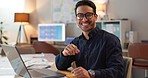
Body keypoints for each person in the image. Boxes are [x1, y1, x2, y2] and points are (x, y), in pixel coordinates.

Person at [55, 0, 124, 78]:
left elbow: (118, 72)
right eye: (80, 15)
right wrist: (64, 54)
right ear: (76, 18)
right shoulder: (76, 42)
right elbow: (60, 66)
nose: (84, 19)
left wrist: (91, 74)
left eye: (88, 15)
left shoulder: (111, 40)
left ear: (95, 17)